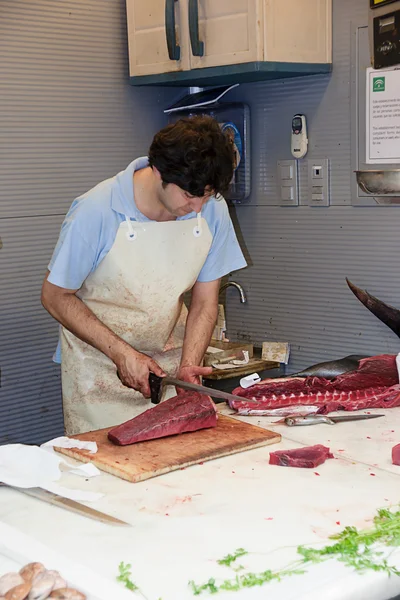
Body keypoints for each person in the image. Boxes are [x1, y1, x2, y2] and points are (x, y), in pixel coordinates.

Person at [41, 115, 247, 435]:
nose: (197, 207)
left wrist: (189, 366)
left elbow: (206, 302)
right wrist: (122, 354)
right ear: (159, 172)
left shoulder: (211, 207)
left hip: (170, 371)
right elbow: (54, 296)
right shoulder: (97, 210)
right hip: (99, 374)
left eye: (205, 196)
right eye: (189, 196)